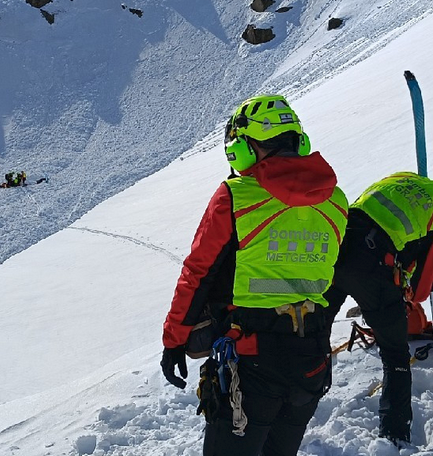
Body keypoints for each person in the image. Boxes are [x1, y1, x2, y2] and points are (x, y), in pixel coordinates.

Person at [160, 94, 349, 456]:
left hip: (251, 358)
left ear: (246, 148)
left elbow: (198, 272)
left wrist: (174, 340)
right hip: (311, 356)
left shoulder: (236, 196)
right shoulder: (335, 199)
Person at [323, 158, 433, 445]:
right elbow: (423, 289)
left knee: (314, 331)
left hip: (334, 250)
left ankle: (297, 398)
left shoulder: (402, 178)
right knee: (396, 355)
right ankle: (394, 436)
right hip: (374, 267)